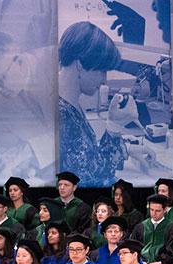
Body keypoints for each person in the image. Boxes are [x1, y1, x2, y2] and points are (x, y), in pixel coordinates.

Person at [57, 22, 132, 186]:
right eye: (101, 70)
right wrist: (114, 128)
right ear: (79, 65)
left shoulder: (70, 105)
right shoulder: (61, 116)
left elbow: (91, 161)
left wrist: (113, 125)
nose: (104, 79)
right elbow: (93, 179)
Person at [130, 194, 173, 264]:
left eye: (157, 211)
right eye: (151, 210)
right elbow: (132, 249)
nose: (154, 214)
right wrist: (140, 262)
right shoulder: (140, 227)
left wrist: (162, 263)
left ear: (165, 210)